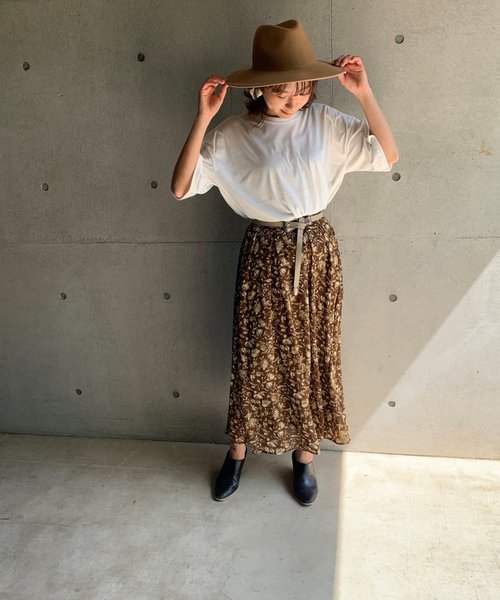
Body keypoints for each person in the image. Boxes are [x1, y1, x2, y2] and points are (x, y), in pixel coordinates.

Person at [171, 19, 399, 505]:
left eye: (302, 89)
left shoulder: (326, 122)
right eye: (280, 91)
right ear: (258, 89)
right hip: (265, 254)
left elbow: (387, 154)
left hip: (315, 250)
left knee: (313, 353)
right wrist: (204, 118)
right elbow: (181, 185)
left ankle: (304, 456)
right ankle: (237, 452)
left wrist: (363, 93)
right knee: (255, 357)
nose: (293, 100)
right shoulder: (234, 133)